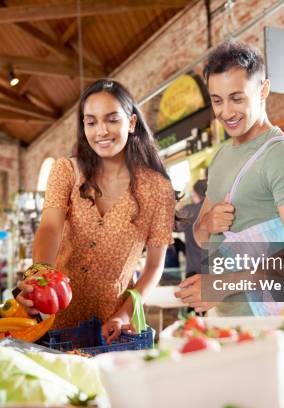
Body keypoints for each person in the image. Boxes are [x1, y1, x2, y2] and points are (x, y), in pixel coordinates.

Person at [17, 79, 176, 342]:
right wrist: (39, 278)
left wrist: (124, 314)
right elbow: (49, 228)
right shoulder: (66, 171)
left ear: (132, 123)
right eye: (91, 122)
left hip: (113, 325)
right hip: (54, 316)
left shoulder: (158, 188)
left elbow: (154, 266)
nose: (101, 130)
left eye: (112, 119)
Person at [175, 40, 284, 314]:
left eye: (237, 98)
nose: (226, 113)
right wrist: (207, 222)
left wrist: (221, 286)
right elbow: (201, 238)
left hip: (280, 322)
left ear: (263, 90)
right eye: (217, 101)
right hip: (230, 322)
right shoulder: (221, 157)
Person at [178, 179, 208, 278]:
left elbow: (169, 226)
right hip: (218, 271)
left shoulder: (189, 211)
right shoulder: (218, 209)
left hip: (195, 270)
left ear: (195, 194)